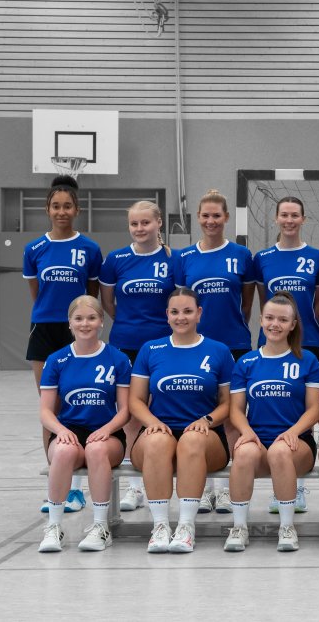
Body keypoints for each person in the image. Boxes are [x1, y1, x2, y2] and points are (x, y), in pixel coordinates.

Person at [129, 288, 233, 553]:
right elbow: (135, 400)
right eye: (175, 312)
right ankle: (160, 526)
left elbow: (228, 403)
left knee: (191, 440)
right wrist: (151, 421)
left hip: (205, 436)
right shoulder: (150, 349)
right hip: (160, 430)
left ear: (199, 313)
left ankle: (186, 527)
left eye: (188, 311)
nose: (181, 317)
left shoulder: (219, 351)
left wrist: (207, 420)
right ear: (167, 315)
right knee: (157, 442)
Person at [25, 175, 103, 513]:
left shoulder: (89, 249)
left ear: (77, 210)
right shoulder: (34, 249)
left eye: (67, 206)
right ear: (47, 209)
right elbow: (37, 294)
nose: (61, 211)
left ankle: (77, 490)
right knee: (51, 409)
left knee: (80, 405)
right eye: (56, 206)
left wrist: (80, 324)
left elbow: (91, 295)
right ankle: (57, 487)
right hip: (45, 331)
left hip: (78, 330)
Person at [174, 189, 255, 513]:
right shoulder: (184, 257)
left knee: (232, 415)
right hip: (195, 346)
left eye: (216, 215)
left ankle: (224, 489)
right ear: (198, 218)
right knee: (201, 411)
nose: (211, 221)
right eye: (205, 215)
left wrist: (232, 328)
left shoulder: (241, 255)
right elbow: (181, 302)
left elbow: (246, 303)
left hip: (234, 343)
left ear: (226, 218)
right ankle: (204, 485)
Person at [223, 292, 319, 552]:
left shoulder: (307, 360)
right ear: (260, 320)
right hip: (258, 438)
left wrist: (293, 431)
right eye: (269, 318)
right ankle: (239, 527)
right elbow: (236, 410)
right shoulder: (247, 362)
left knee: (280, 451)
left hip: (297, 443)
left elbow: (314, 409)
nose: (274, 324)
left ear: (293, 325)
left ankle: (287, 527)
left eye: (282, 319)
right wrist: (246, 431)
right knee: (243, 452)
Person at [99, 200, 176, 514]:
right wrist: (130, 325)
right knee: (131, 412)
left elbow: (179, 303)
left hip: (163, 346)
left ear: (159, 223)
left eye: (146, 222)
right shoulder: (115, 260)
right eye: (134, 224)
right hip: (126, 344)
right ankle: (135, 486)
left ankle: (179, 478)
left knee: (165, 407)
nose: (140, 228)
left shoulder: (173, 260)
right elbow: (109, 304)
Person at [38, 296, 131, 552]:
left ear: (101, 322)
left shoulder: (118, 359)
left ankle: (101, 527)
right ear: (69, 323)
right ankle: (54, 527)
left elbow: (125, 410)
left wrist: (107, 430)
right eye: (78, 318)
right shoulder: (56, 360)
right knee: (64, 451)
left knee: (96, 450)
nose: (85, 324)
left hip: (107, 433)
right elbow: (45, 411)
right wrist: (61, 431)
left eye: (91, 318)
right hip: (69, 430)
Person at [253, 196, 319, 363]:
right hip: (271, 339)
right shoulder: (262, 258)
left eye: (295, 215)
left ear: (303, 219)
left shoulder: (318, 257)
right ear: (276, 218)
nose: (289, 220)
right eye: (284, 215)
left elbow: (318, 303)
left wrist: (306, 326)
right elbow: (264, 301)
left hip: (308, 340)